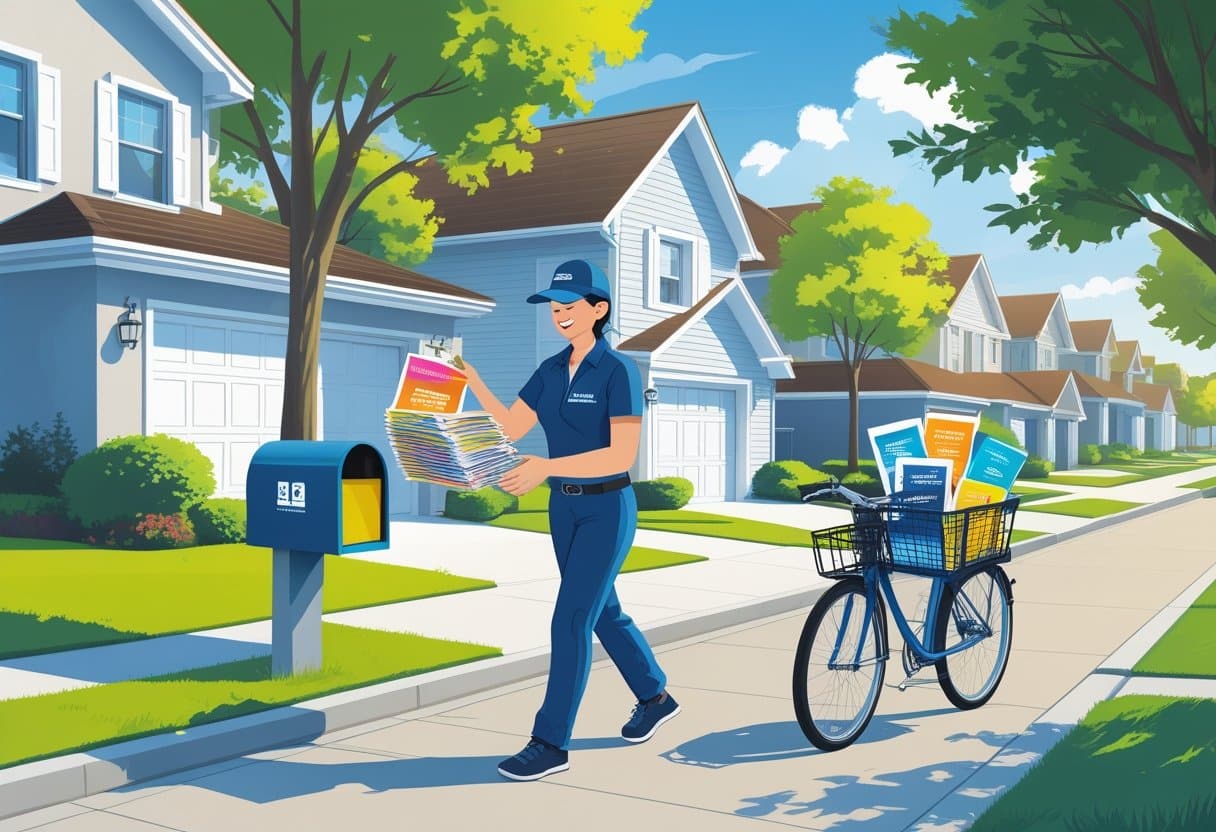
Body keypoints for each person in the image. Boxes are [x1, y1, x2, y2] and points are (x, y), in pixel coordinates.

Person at [460, 259, 679, 782]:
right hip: (565, 507)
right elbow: (513, 427)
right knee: (602, 611)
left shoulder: (619, 370)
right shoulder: (551, 370)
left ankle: (550, 742)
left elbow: (621, 454)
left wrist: (547, 467)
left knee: (570, 618)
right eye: (554, 307)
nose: (559, 315)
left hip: (607, 507)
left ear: (598, 310)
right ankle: (655, 696)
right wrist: (472, 382)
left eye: (569, 306)